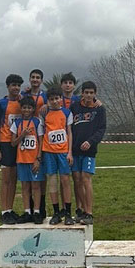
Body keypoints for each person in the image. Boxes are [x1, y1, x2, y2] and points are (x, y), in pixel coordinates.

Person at [71, 80, 106, 223]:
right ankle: (81, 210)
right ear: (82, 93)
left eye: (91, 93)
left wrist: (91, 142)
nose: (89, 95)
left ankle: (89, 213)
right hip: (75, 150)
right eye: (86, 92)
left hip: (89, 150)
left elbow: (101, 129)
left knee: (86, 178)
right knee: (77, 179)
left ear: (95, 94)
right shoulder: (74, 107)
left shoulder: (99, 109)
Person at [41, 86, 75, 224]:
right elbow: (41, 132)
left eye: (57, 98)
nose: (55, 101)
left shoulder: (67, 113)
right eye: (52, 99)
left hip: (63, 152)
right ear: (48, 100)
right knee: (53, 182)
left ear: (61, 98)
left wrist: (70, 152)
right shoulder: (44, 113)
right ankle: (56, 213)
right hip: (49, 152)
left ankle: (68, 213)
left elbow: (69, 133)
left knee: (65, 181)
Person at [0, 74, 23, 224]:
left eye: (18, 85)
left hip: (17, 144)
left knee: (14, 179)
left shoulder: (22, 102)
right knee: (6, 179)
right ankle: (3, 211)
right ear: (8, 86)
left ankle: (10, 210)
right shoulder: (1, 103)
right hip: (5, 143)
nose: (16, 88)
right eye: (13, 85)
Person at [9, 96, 44, 223]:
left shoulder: (37, 122)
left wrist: (38, 159)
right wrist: (22, 135)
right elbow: (13, 143)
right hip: (22, 160)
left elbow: (41, 141)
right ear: (21, 109)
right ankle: (27, 212)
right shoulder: (17, 123)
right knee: (25, 186)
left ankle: (37, 212)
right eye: (24, 108)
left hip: (34, 160)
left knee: (36, 186)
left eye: (29, 108)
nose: (26, 110)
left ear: (33, 109)